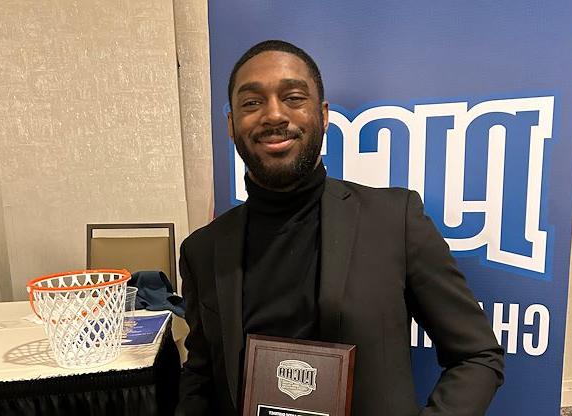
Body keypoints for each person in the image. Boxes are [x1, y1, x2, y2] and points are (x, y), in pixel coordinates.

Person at [176, 40, 504, 416]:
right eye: (252, 102)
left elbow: (478, 356)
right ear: (232, 125)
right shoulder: (203, 250)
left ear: (324, 115)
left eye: (294, 98)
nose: (273, 115)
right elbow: (200, 376)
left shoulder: (395, 220)